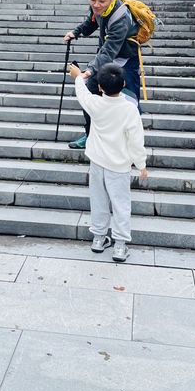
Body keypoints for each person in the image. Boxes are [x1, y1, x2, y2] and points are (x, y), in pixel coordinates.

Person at [69, 61, 147, 263]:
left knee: (98, 200)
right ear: (123, 84)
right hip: (119, 166)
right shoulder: (130, 110)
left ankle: (98, 238)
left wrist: (79, 76)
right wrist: (141, 164)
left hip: (97, 162)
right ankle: (120, 245)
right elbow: (136, 141)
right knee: (121, 204)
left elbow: (82, 93)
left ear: (101, 87)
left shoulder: (95, 103)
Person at [63, 0, 140, 150]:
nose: (96, 5)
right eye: (93, 0)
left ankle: (131, 145)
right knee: (91, 90)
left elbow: (109, 50)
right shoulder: (98, 7)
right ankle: (91, 136)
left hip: (125, 60)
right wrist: (76, 32)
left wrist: (89, 69)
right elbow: (91, 22)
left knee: (129, 102)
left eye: (102, 1)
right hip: (106, 57)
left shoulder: (120, 17)